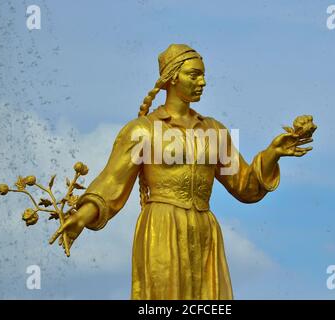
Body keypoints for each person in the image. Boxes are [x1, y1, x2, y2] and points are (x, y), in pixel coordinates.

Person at [49, 44, 314, 299]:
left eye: (203, 75)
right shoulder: (142, 130)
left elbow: (246, 186)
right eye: (194, 74)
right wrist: (81, 217)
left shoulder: (214, 131)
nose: (203, 82)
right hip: (161, 228)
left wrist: (272, 154)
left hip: (204, 231)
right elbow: (111, 182)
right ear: (172, 78)